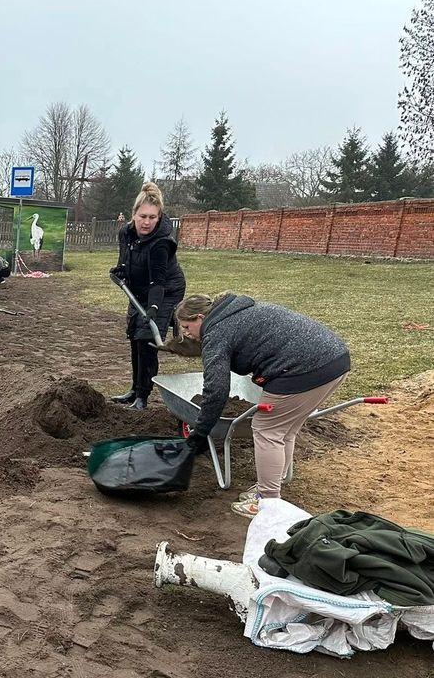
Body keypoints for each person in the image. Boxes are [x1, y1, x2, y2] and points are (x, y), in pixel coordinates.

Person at [176, 292, 351, 519]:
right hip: (335, 359)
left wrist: (199, 435)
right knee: (285, 430)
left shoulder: (216, 332)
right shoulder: (236, 312)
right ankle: (269, 488)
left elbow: (216, 390)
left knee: (267, 430)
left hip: (303, 368)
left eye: (187, 327)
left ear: (200, 317)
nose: (186, 334)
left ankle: (267, 500)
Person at [109, 182, 186, 411]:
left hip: (165, 290)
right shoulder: (126, 233)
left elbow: (158, 282)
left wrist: (153, 308)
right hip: (139, 289)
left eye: (153, 217)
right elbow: (125, 260)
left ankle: (143, 396)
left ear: (159, 216)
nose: (147, 222)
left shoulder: (161, 243)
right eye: (143, 216)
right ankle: (134, 389)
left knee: (147, 339)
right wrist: (120, 269)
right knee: (135, 335)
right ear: (134, 214)